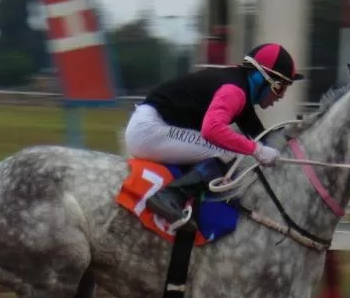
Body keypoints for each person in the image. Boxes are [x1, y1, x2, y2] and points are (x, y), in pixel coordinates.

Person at [123, 42, 305, 225]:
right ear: (261, 78)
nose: (281, 96)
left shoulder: (242, 93)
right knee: (227, 152)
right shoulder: (235, 91)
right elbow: (212, 130)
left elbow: (264, 138)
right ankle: (170, 195)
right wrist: (257, 150)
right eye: (280, 88)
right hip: (150, 129)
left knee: (233, 149)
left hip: (154, 125)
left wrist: (292, 139)